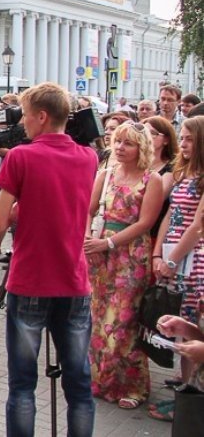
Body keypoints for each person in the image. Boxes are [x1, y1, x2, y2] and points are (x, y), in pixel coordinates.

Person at [0, 83, 98, 437]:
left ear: (41, 116)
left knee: (23, 384)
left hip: (31, 279)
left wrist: (22, 207)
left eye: (24, 116)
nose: (22, 124)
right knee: (79, 385)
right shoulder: (89, 157)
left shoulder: (22, 156)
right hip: (73, 279)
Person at [84, 121, 163, 409]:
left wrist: (109, 243)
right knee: (98, 318)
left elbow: (145, 223)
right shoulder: (105, 174)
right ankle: (100, 380)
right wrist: (88, 239)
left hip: (130, 254)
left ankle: (132, 385)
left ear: (140, 148)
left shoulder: (151, 179)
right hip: (99, 252)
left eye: (128, 143)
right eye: (117, 141)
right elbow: (88, 211)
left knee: (125, 320)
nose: (120, 147)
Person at [150, 116, 204, 421]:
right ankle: (185, 386)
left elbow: (198, 226)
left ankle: (191, 394)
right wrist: (158, 254)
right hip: (173, 252)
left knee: (192, 325)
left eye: (188, 139)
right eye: (180, 138)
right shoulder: (183, 172)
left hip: (192, 259)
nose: (182, 144)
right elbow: (170, 213)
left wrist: (171, 260)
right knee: (183, 325)